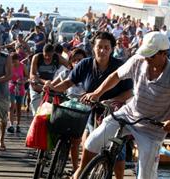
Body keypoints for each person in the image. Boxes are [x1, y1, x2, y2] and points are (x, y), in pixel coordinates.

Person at [73, 32, 170, 179]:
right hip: (128, 114)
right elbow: (116, 76)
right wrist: (97, 93)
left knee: (145, 175)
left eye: (150, 55)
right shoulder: (138, 60)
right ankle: (81, 173)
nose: (146, 58)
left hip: (152, 129)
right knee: (91, 142)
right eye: (145, 53)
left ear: (164, 54)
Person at [45, 32, 133, 178]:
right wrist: (53, 88)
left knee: (118, 150)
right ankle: (81, 172)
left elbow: (129, 92)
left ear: (112, 49)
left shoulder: (119, 66)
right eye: (99, 47)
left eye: (106, 47)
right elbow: (69, 82)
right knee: (90, 144)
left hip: (114, 112)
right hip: (92, 112)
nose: (102, 50)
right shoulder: (85, 64)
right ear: (93, 48)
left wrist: (112, 101)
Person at [50, 48, 87, 172]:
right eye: (74, 60)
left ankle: (76, 168)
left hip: (82, 112)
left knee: (76, 142)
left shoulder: (89, 76)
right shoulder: (65, 73)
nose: (77, 63)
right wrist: (48, 86)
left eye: (80, 60)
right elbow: (54, 86)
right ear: (70, 62)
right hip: (67, 108)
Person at [29, 44, 69, 116]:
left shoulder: (57, 58)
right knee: (36, 112)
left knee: (48, 112)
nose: (47, 58)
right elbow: (32, 75)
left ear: (53, 53)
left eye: (49, 56)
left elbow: (70, 66)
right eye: (45, 55)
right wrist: (44, 82)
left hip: (50, 86)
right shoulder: (37, 57)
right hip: (37, 85)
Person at [7, 53, 28, 133]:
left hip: (20, 88)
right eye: (12, 62)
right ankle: (11, 124)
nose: (13, 63)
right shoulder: (9, 66)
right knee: (11, 106)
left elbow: (27, 76)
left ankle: (18, 124)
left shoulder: (23, 66)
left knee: (19, 108)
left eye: (14, 61)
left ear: (18, 60)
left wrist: (23, 80)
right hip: (11, 87)